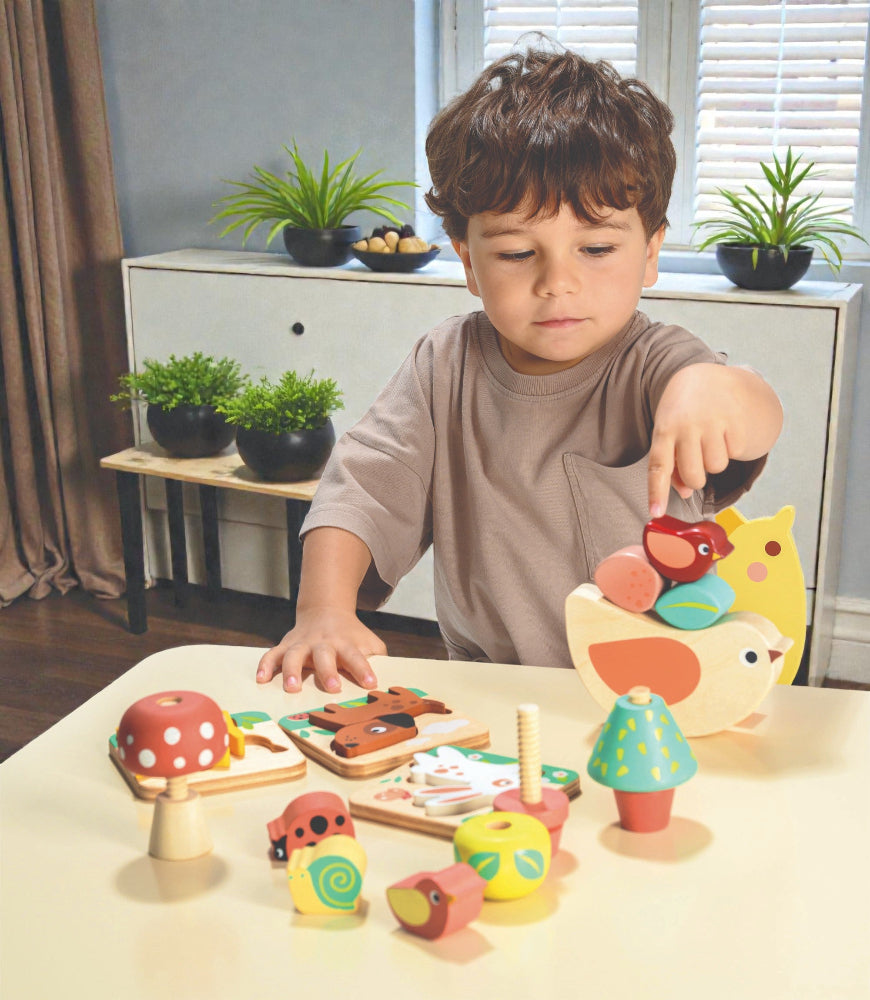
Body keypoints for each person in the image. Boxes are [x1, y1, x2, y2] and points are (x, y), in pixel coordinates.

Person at [256, 44, 783, 694]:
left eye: (595, 247)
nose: (557, 283)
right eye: (514, 253)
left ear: (650, 254)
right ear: (469, 263)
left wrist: (720, 388)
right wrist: (324, 611)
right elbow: (363, 487)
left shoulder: (660, 364)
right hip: (493, 690)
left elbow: (755, 415)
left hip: (657, 689)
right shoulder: (444, 365)